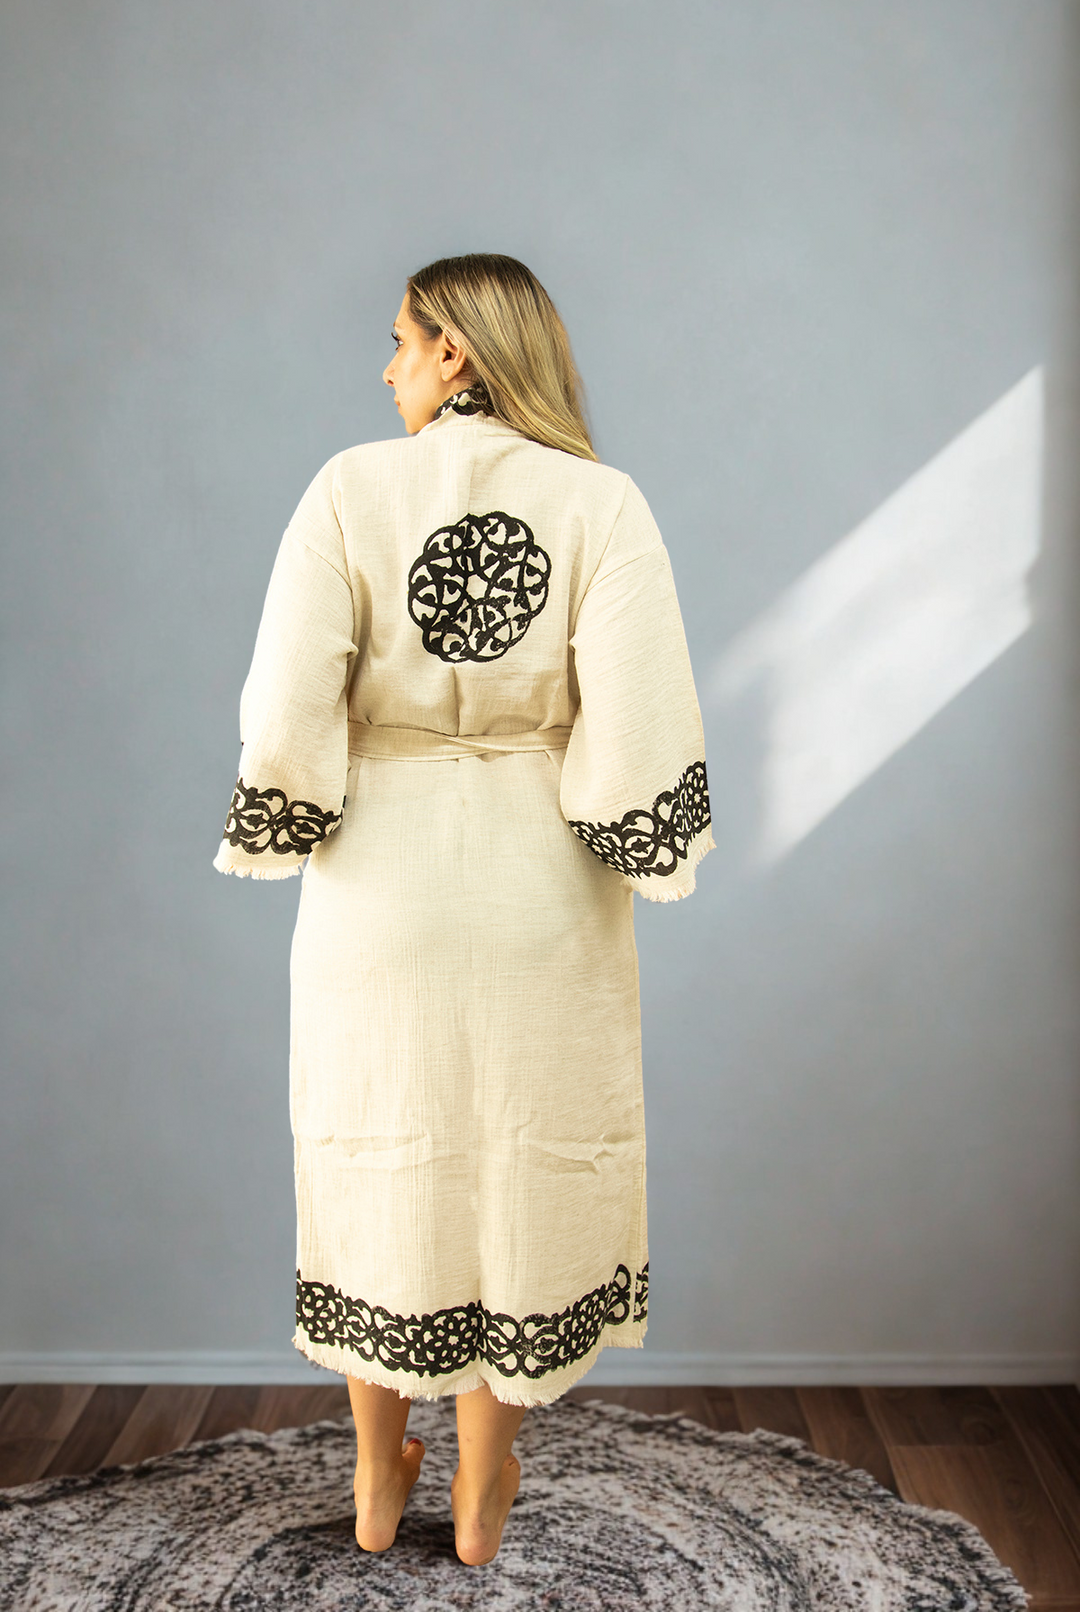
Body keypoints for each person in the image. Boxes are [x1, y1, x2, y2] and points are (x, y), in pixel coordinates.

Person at [212, 253, 713, 1566]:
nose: (385, 369)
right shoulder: (601, 504)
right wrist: (638, 835)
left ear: (459, 355)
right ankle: (486, 1484)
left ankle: (381, 1470)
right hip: (540, 882)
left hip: (378, 885)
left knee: (379, 1150)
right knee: (520, 1157)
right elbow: (643, 707)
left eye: (398, 342)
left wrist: (295, 804)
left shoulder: (345, 491)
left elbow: (282, 706)